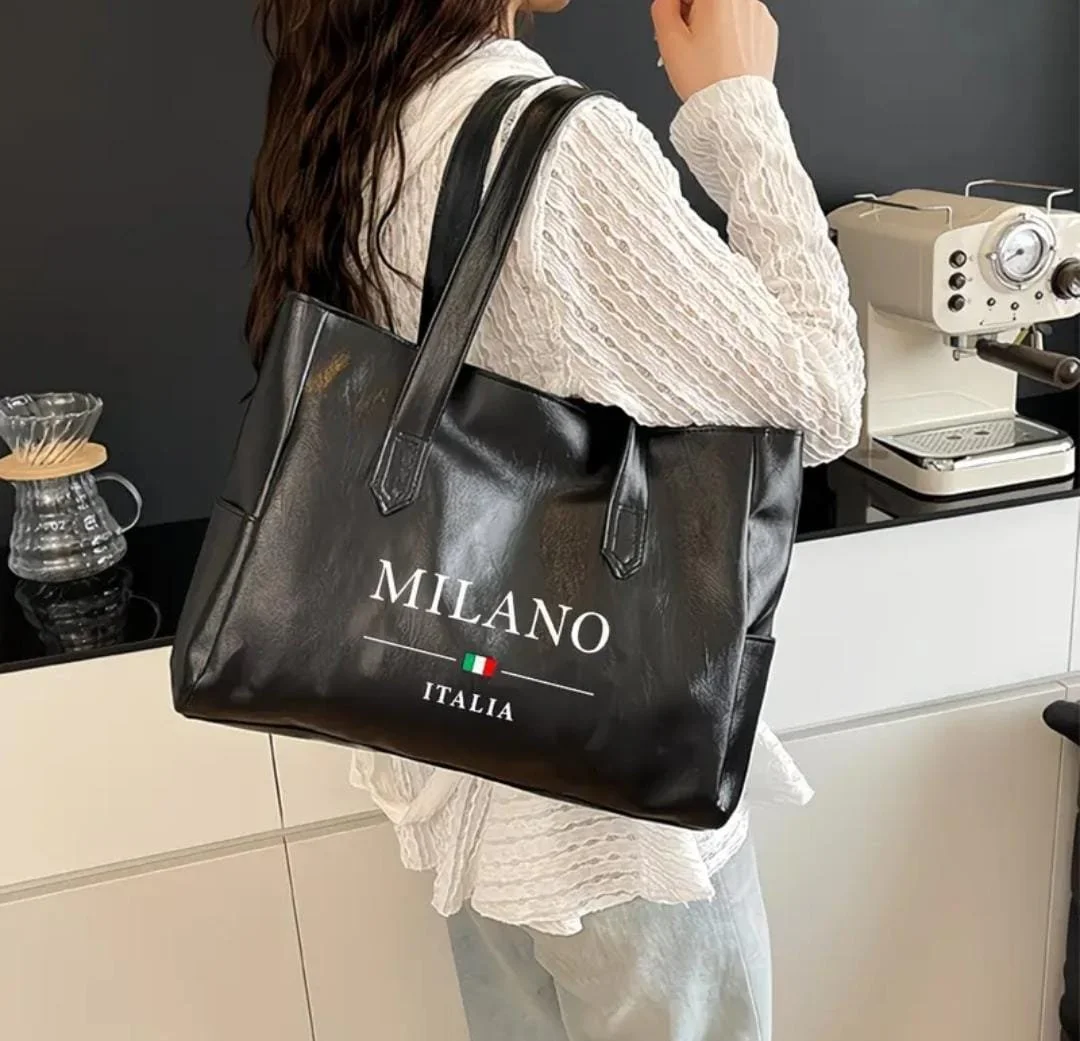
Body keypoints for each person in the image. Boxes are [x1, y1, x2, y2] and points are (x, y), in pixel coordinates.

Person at [245, 0, 865, 1038]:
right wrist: (740, 108)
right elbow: (820, 405)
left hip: (457, 741)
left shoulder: (358, 113)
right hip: (610, 789)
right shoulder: (558, 143)